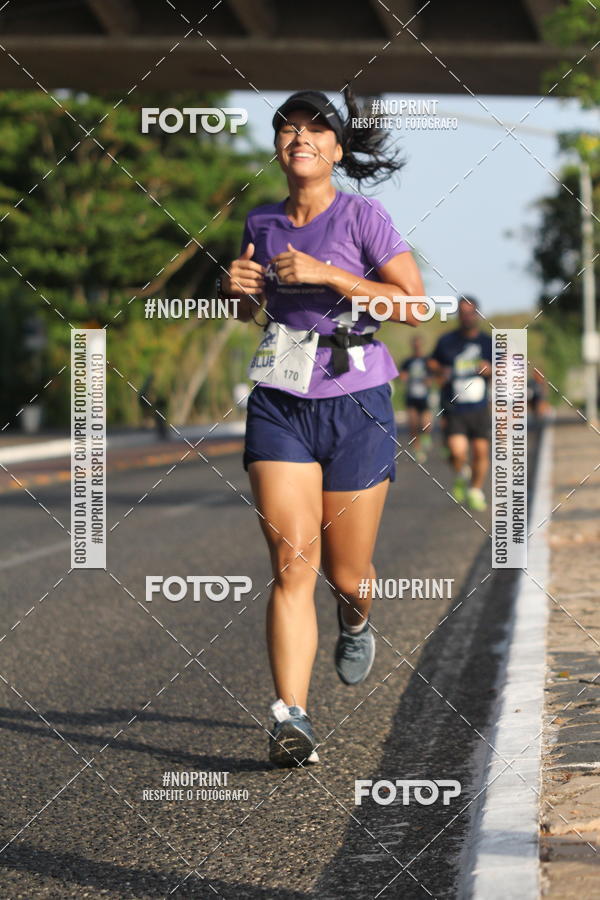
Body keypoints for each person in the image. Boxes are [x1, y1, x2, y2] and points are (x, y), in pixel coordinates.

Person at [218, 88, 425, 767]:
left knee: (348, 574)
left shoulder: (364, 216)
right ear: (278, 147)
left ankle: (358, 616)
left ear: (337, 148)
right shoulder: (260, 219)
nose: (300, 136)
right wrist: (242, 293)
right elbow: (262, 312)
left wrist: (327, 274)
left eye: (315, 128)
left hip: (357, 404)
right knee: (291, 563)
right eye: (288, 128)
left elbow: (414, 304)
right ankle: (292, 718)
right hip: (280, 402)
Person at [428, 297, 492, 511]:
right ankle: (460, 473)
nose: (467, 316)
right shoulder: (447, 341)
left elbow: (504, 370)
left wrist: (489, 370)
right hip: (454, 406)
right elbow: (432, 362)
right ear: (458, 315)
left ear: (478, 314)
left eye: (471, 312)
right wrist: (440, 370)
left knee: (481, 451)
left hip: (480, 406)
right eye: (462, 312)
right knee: (457, 452)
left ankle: (475, 489)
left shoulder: (487, 342)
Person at [399, 335, 432, 463]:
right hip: (411, 396)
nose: (417, 347)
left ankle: (426, 437)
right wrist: (404, 377)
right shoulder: (407, 361)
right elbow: (401, 375)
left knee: (425, 424)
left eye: (419, 345)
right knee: (413, 424)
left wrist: (429, 380)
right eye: (415, 345)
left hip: (424, 396)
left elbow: (434, 375)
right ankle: (417, 449)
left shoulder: (427, 360)